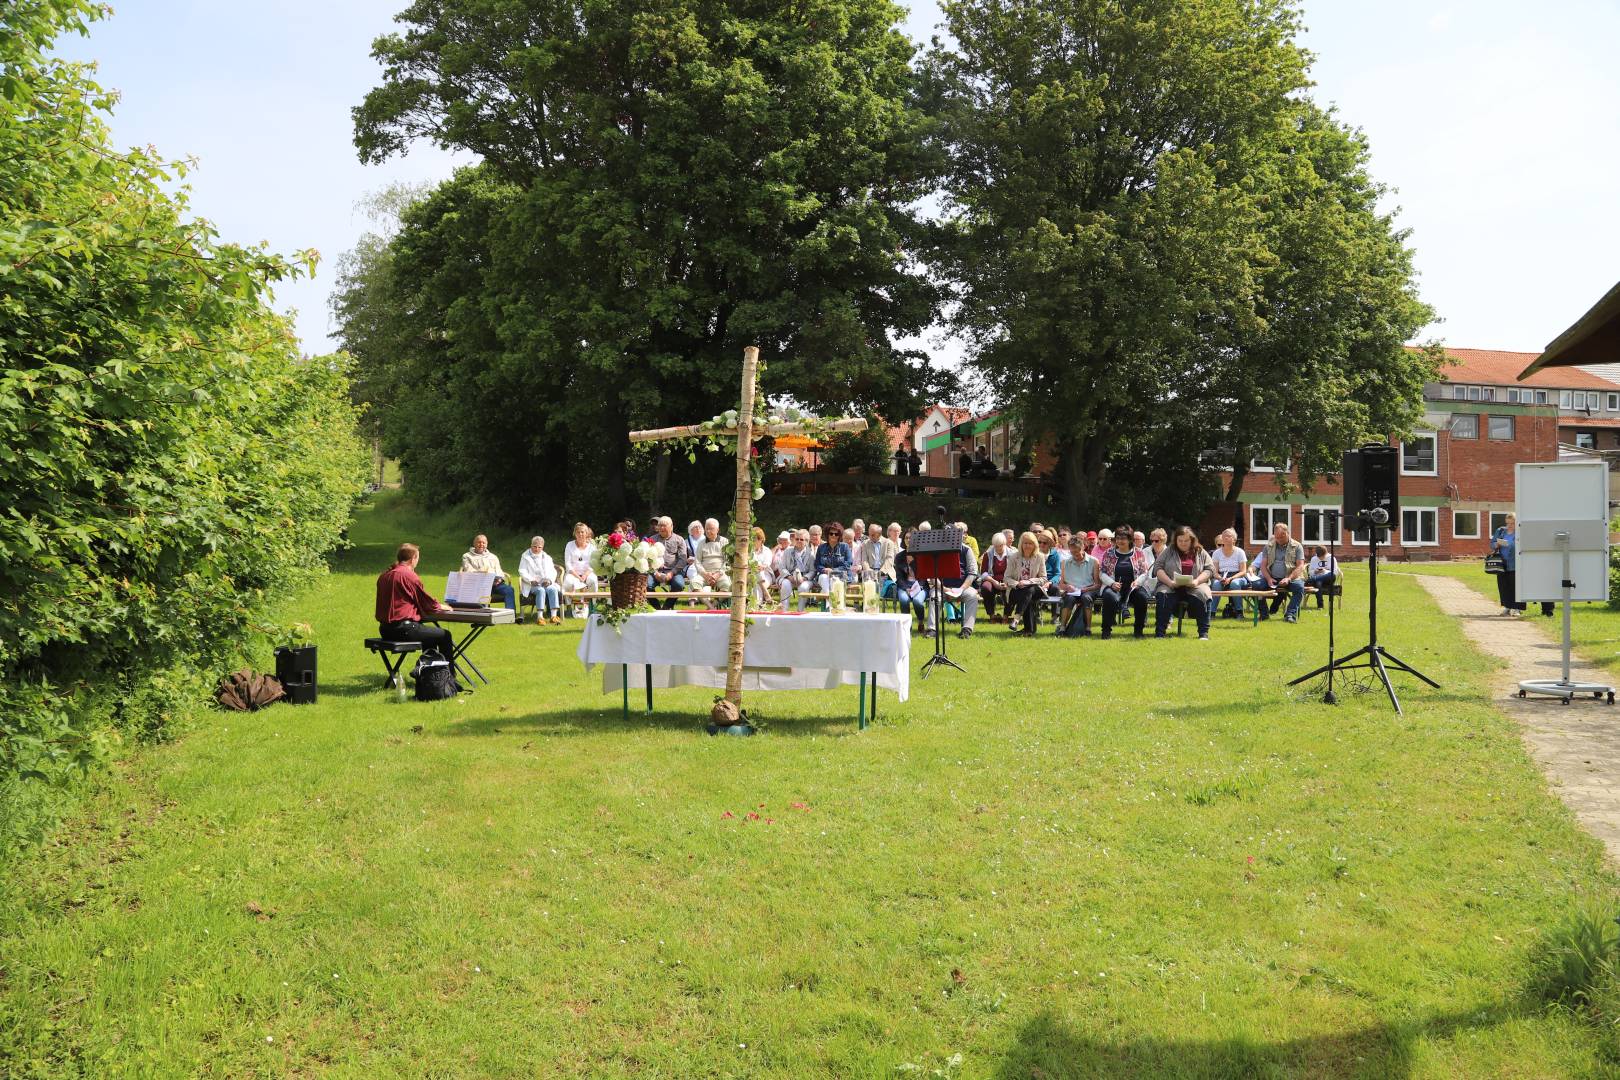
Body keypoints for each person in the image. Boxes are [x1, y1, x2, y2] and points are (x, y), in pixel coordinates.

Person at [376, 542, 457, 661]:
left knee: (430, 636)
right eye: (418, 557)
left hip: (385, 630)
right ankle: (449, 676)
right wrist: (441, 606)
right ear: (413, 558)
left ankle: (430, 676)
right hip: (404, 629)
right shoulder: (408, 575)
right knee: (445, 635)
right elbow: (426, 602)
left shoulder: (384, 576)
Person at [1153, 525, 1213, 639]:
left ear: (1192, 540)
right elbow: (1158, 568)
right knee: (1163, 594)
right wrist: (1170, 582)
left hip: (1195, 584)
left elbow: (1209, 569)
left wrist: (1197, 581)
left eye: (1186, 541)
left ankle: (1203, 634)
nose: (1183, 543)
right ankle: (1160, 633)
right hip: (1170, 584)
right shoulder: (1168, 551)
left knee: (1204, 594)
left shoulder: (1200, 551)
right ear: (1175, 540)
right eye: (1180, 540)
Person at [1491, 513, 1555, 617]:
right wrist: (1496, 544)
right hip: (1502, 564)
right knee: (1504, 587)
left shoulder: (1521, 532)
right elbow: (1492, 543)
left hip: (1516, 563)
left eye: (1512, 523)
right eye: (1508, 523)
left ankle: (1517, 609)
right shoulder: (1501, 531)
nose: (1510, 526)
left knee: (1517, 587)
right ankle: (1507, 607)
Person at [1098, 526, 1152, 638]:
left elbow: (1144, 572)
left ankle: (1138, 631)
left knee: (1142, 597)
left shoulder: (1138, 553)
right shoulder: (1109, 553)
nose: (1119, 541)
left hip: (1133, 588)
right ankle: (1106, 631)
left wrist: (1137, 582)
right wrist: (1112, 583)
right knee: (1109, 597)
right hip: (1113, 587)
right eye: (1117, 538)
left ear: (1130, 540)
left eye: (1123, 538)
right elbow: (1102, 573)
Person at [1253, 522, 1306, 623]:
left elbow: (1300, 566)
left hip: (1291, 578)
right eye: (1276, 537)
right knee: (1255, 586)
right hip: (1272, 578)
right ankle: (1264, 613)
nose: (1279, 540)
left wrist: (1289, 578)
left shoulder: (1297, 546)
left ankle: (1290, 614)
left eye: (1281, 537)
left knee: (1299, 587)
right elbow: (1263, 566)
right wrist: (1268, 579)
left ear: (1287, 533)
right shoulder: (1268, 546)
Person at [1055, 536, 1101, 637]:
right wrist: (1067, 587)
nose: (1075, 554)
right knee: (1069, 599)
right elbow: (1061, 584)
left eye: (1077, 551)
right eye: (1072, 552)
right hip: (1073, 591)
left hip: (1089, 589)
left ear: (1083, 547)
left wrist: (1087, 589)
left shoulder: (1094, 561)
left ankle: (1088, 628)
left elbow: (1098, 584)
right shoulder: (1065, 563)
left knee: (1086, 598)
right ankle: (1062, 628)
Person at [1006, 531, 1048, 635]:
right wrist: (1017, 583)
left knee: (1030, 589)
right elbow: (1006, 578)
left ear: (1034, 544)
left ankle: (1016, 619)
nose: (1027, 545)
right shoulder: (1013, 557)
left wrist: (1029, 581)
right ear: (1021, 544)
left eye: (1030, 543)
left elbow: (1043, 578)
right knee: (1027, 595)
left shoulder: (1040, 557)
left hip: (1036, 590)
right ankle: (1029, 630)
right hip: (1016, 590)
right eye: (1025, 543)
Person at [936, 540, 980, 638]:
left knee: (972, 596)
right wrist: (945, 589)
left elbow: (973, 572)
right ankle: (932, 629)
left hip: (964, 587)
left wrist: (961, 588)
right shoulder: (937, 550)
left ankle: (966, 629)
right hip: (941, 588)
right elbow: (932, 574)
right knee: (933, 596)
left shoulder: (967, 550)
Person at [461, 534, 515, 610]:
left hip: (495, 584)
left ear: (487, 544)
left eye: (483, 543)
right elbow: (468, 571)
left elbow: (499, 570)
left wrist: (499, 579)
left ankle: (511, 615)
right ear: (474, 544)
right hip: (479, 585)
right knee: (483, 591)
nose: (481, 544)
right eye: (479, 542)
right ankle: (483, 615)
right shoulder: (467, 556)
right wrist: (481, 572)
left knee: (509, 590)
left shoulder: (493, 556)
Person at [1208, 528, 1252, 619]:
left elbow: (1243, 571)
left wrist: (1231, 578)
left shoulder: (1240, 552)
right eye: (1224, 536)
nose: (1226, 538)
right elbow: (1215, 572)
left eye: (1229, 536)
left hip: (1238, 576)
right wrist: (1220, 578)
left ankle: (1239, 612)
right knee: (1216, 584)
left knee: (1235, 584)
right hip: (1221, 576)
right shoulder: (1216, 553)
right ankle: (1211, 613)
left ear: (1234, 539)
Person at [892, 527, 930, 632]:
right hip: (904, 584)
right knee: (904, 600)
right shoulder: (899, 556)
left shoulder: (921, 555)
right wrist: (905, 588)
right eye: (906, 538)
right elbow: (899, 576)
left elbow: (923, 575)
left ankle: (921, 622)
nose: (908, 540)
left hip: (920, 584)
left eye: (911, 538)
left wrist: (913, 562)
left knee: (918, 601)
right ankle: (907, 626)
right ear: (904, 540)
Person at [519, 536, 562, 624]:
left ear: (542, 547)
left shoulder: (546, 557)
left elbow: (553, 571)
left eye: (539, 547)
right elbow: (522, 570)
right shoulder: (525, 556)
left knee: (553, 589)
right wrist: (531, 580)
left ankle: (553, 616)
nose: (537, 549)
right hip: (532, 584)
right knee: (541, 590)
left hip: (545, 582)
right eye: (534, 546)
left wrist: (549, 580)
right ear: (531, 545)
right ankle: (540, 617)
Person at [561, 523, 598, 618]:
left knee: (593, 580)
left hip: (588, 573)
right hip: (573, 573)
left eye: (582, 532)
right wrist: (578, 577)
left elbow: (593, 564)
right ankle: (569, 607)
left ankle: (592, 606)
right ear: (575, 533)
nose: (580, 534)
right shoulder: (569, 545)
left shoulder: (592, 547)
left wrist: (585, 575)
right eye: (578, 532)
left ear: (586, 533)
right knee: (568, 582)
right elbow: (568, 564)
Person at [690, 518, 731, 595]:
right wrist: (705, 574)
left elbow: (727, 561)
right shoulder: (701, 543)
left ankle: (713, 605)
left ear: (717, 530)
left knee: (727, 585)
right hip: (705, 574)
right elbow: (697, 561)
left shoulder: (725, 541)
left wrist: (718, 574)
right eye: (707, 529)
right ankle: (710, 605)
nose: (708, 531)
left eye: (711, 529)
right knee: (694, 584)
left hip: (720, 574)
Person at [815, 521, 856, 598]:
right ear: (827, 534)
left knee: (834, 581)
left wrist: (833, 570)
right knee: (823, 578)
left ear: (839, 535)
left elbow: (848, 564)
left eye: (836, 534)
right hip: (825, 576)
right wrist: (824, 570)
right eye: (831, 533)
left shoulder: (845, 547)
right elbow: (817, 564)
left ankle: (829, 604)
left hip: (841, 576)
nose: (833, 535)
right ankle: (830, 603)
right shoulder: (821, 548)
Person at [977, 531, 1011, 622]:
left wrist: (1007, 582)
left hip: (1007, 580)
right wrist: (994, 582)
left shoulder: (1012, 554)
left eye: (1000, 546)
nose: (998, 548)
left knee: (1011, 589)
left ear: (1005, 544)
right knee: (985, 588)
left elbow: (1015, 572)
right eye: (996, 546)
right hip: (992, 579)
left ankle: (1006, 616)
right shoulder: (988, 554)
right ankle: (992, 615)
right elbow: (983, 573)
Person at [748, 527, 775, 607]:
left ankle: (757, 606)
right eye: (751, 538)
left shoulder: (767, 551)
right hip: (750, 574)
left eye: (754, 539)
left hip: (766, 575)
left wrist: (761, 567)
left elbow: (767, 564)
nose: (752, 541)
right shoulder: (748, 551)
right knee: (756, 575)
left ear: (761, 539)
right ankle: (766, 594)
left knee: (756, 584)